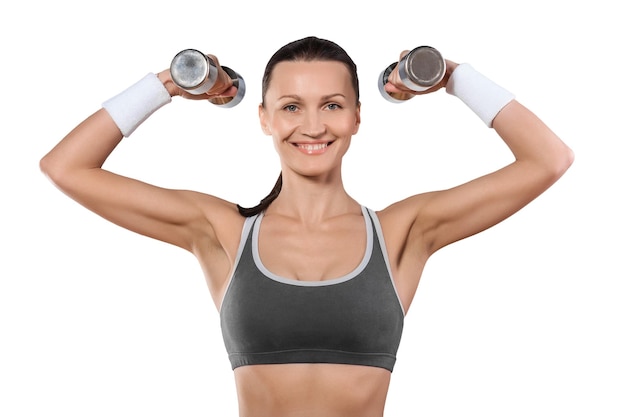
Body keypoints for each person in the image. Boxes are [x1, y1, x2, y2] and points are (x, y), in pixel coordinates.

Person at [40, 36, 574, 417]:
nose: (313, 126)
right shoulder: (223, 232)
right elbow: (65, 167)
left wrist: (450, 75)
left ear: (357, 118)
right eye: (291, 106)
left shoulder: (401, 233)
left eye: (333, 105)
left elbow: (548, 159)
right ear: (265, 118)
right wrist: (172, 83)